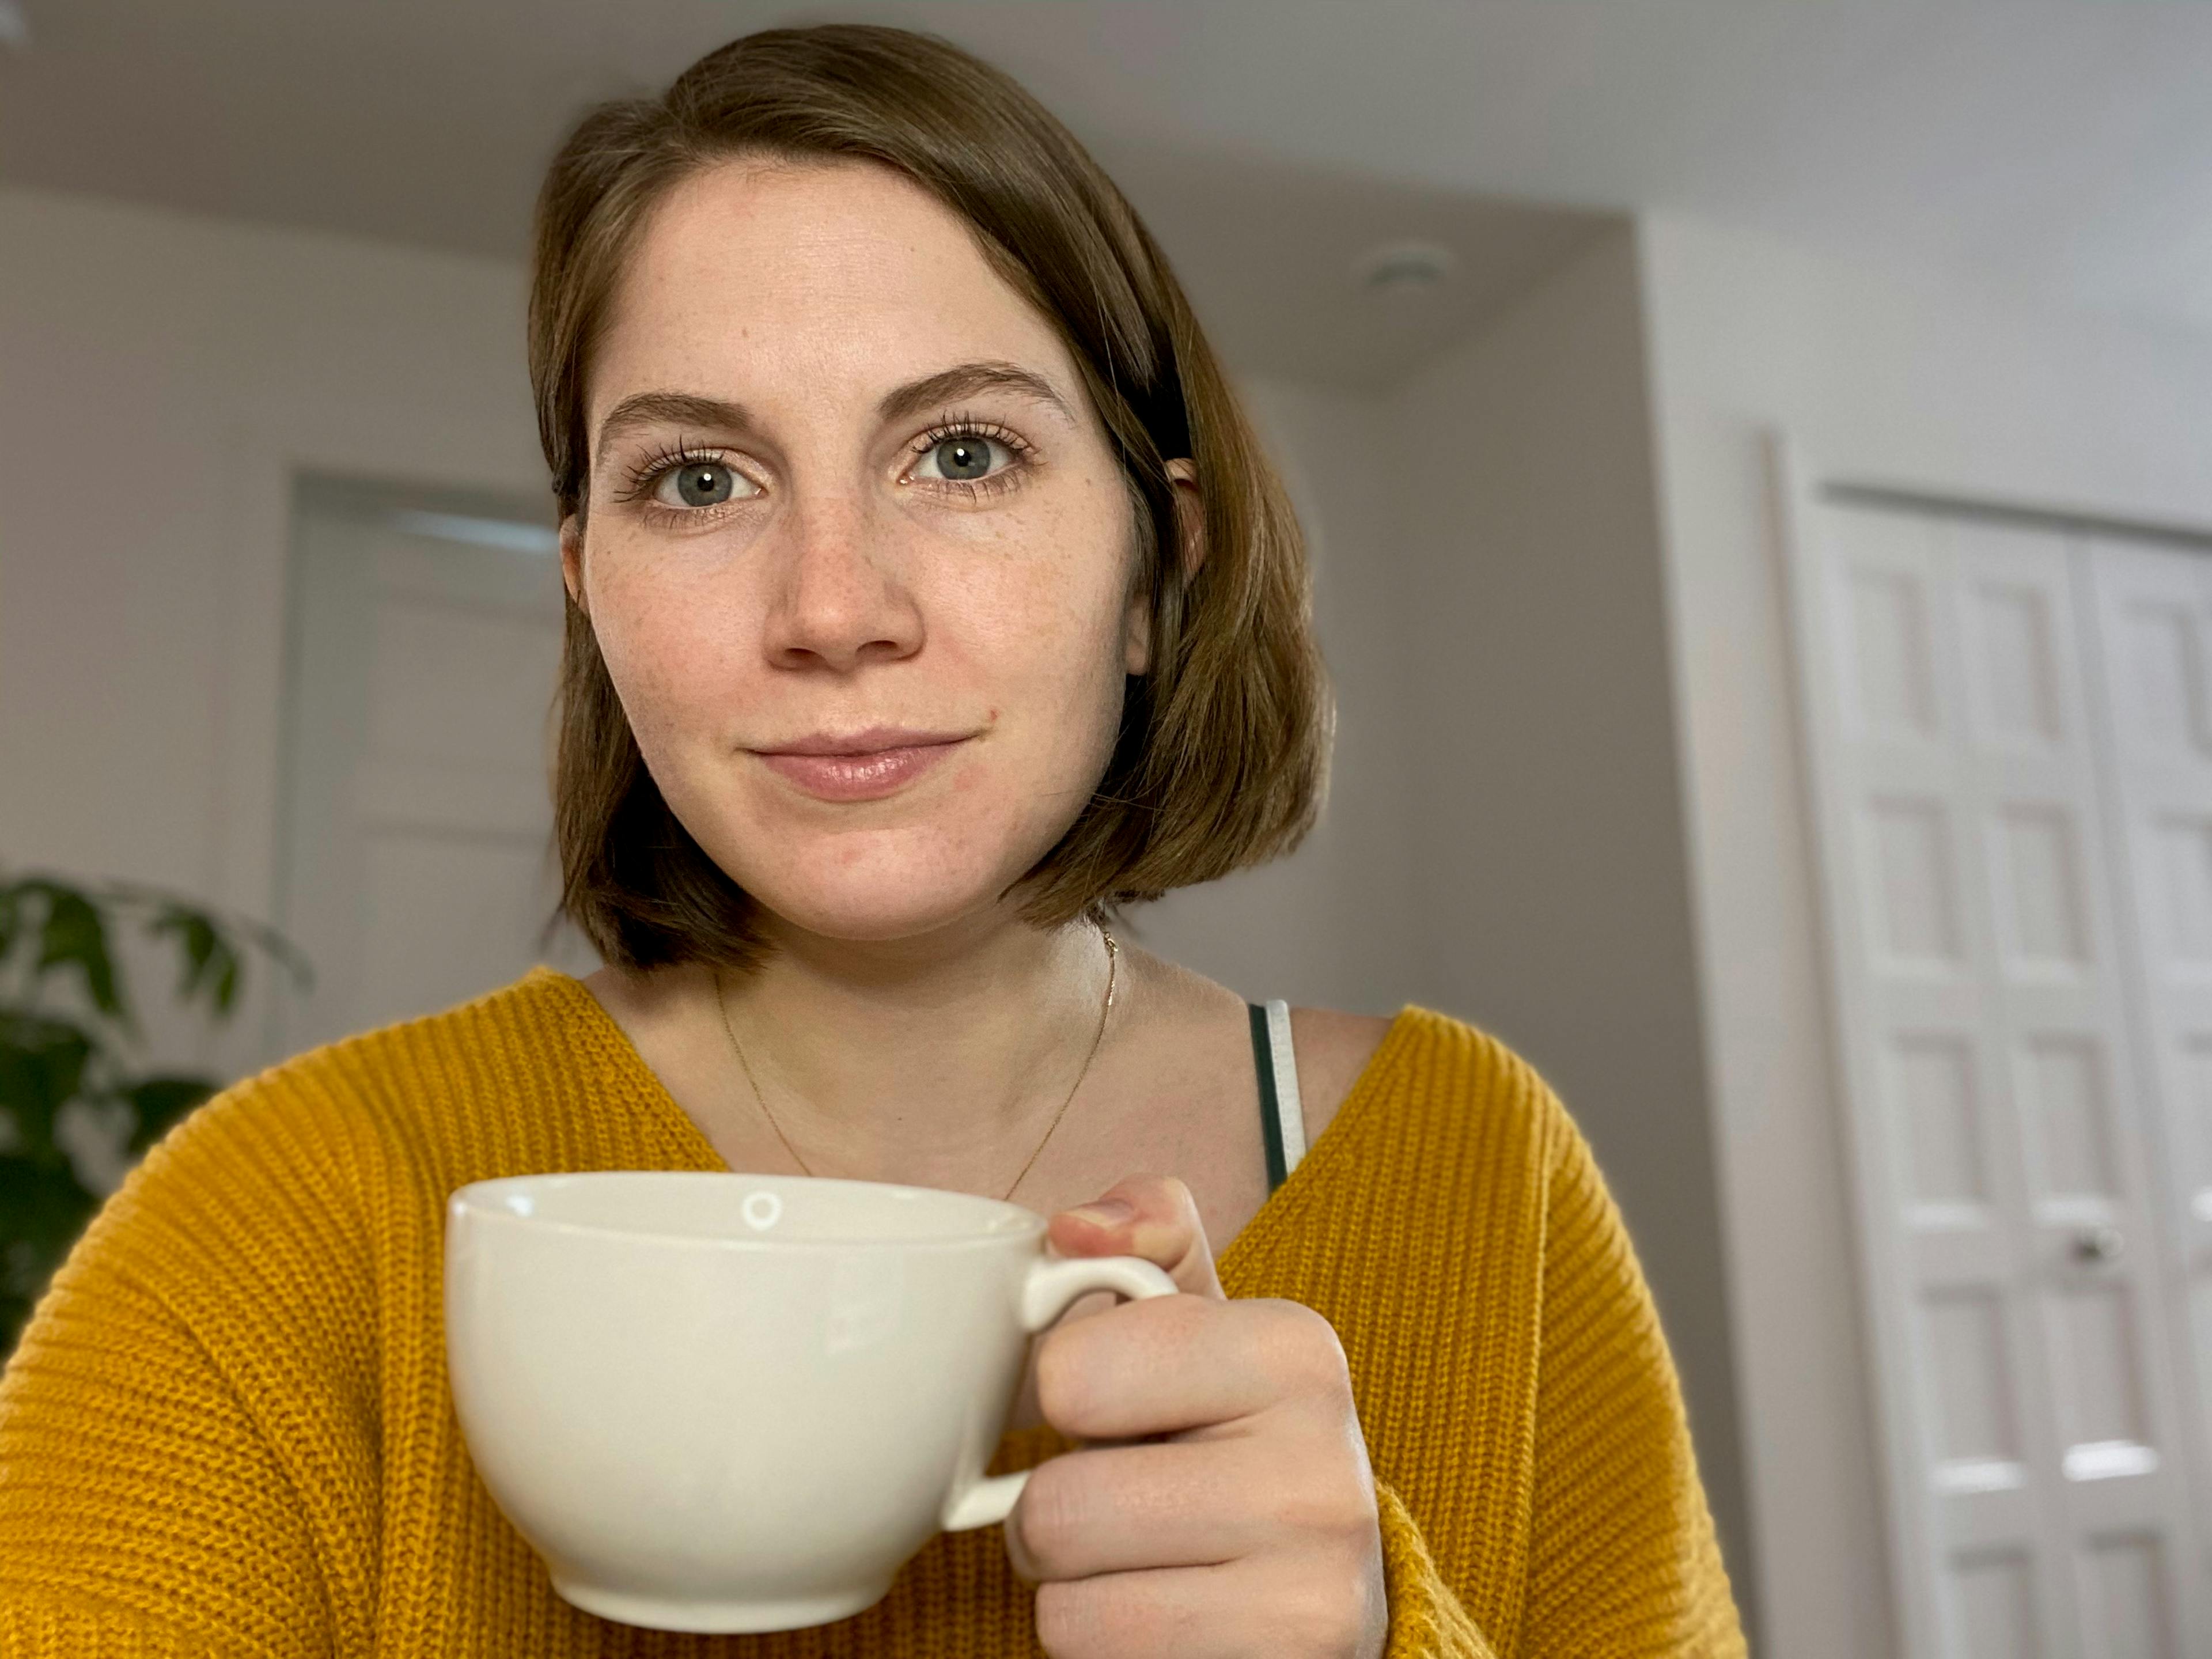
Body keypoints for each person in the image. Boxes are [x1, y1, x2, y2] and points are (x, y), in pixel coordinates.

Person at [0, 24, 1744, 1658]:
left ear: (1158, 567)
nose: (833, 608)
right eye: (698, 481)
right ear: (588, 589)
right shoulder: (282, 1213)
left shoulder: (1481, 1173)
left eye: (965, 452)